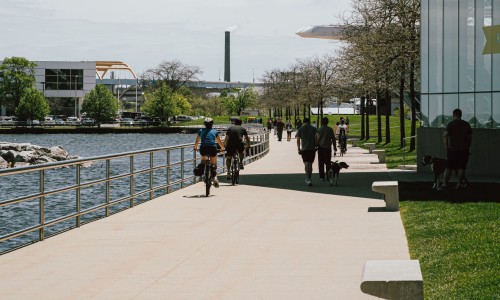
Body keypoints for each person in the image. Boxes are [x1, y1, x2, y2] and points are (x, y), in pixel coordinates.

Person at [439, 108, 472, 190]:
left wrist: (446, 146)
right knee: (462, 168)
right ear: (461, 115)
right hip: (464, 150)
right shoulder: (466, 124)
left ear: (453, 115)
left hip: (452, 150)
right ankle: (458, 184)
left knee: (449, 167)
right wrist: (467, 146)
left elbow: (445, 135)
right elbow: (470, 137)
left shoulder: (451, 124)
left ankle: (444, 184)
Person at [193, 118, 225, 188]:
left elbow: (197, 141)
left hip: (203, 149)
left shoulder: (201, 131)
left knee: (203, 161)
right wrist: (222, 148)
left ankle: (202, 175)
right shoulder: (214, 131)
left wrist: (195, 147)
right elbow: (219, 142)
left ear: (204, 124)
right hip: (212, 148)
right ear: (212, 124)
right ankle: (215, 178)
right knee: (214, 164)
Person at [296, 117, 317, 186]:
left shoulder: (300, 129)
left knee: (306, 164)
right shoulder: (313, 129)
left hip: (304, 149)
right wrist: (316, 144)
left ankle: (307, 178)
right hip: (312, 149)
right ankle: (309, 178)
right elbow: (318, 136)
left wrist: (299, 148)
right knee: (310, 164)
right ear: (309, 122)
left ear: (303, 122)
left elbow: (298, 139)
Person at [316, 117, 337, 181]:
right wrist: (334, 147)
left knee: (321, 163)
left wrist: (316, 145)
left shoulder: (319, 130)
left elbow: (317, 139)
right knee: (328, 163)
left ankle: (322, 177)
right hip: (327, 148)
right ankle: (328, 176)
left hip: (320, 148)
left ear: (322, 122)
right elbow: (333, 139)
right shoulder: (330, 129)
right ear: (327, 122)